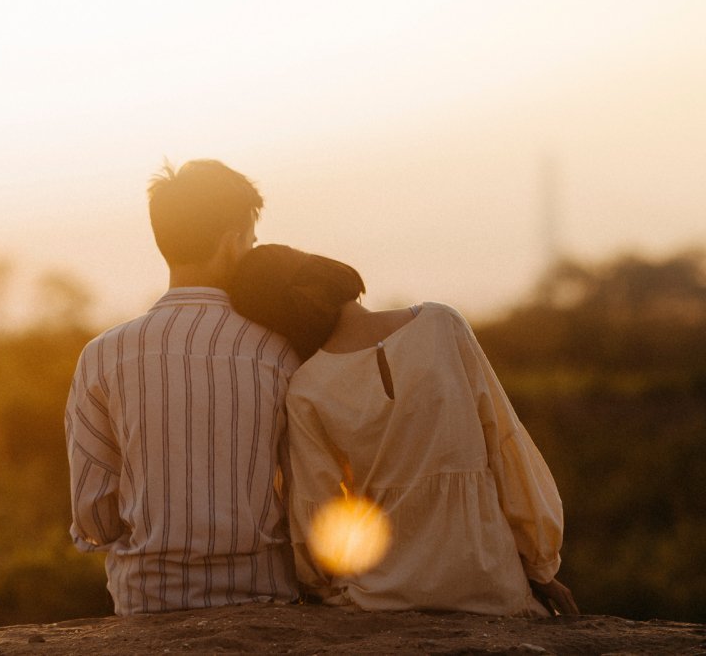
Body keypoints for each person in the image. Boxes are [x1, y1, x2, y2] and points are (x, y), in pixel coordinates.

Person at [226, 244, 579, 616]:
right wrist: (540, 566)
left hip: (380, 595)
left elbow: (319, 514)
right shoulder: (443, 324)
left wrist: (319, 586)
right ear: (326, 270)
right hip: (489, 583)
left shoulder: (306, 389)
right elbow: (505, 445)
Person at [64, 160, 303, 615]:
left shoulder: (103, 354)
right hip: (264, 597)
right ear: (233, 243)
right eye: (251, 241)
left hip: (149, 600)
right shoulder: (278, 352)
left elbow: (92, 514)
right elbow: (305, 495)